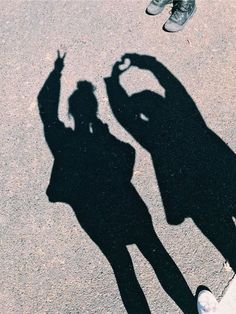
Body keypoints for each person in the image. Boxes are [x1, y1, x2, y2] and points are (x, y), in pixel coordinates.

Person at [38, 51, 197, 314]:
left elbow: (46, 109)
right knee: (156, 252)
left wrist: (57, 72)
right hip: (127, 203)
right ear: (94, 108)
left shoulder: (63, 141)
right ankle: (191, 310)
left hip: (95, 215)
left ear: (72, 112)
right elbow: (128, 156)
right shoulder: (102, 137)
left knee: (122, 267)